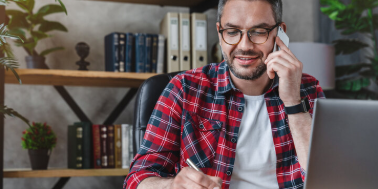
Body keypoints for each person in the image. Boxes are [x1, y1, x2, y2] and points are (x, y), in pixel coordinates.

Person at [124, 0, 325, 188]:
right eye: (232, 32)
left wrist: (293, 102)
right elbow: (137, 179)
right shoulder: (184, 89)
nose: (245, 46)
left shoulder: (307, 89)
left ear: (280, 34)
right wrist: (171, 185)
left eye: (259, 32)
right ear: (220, 33)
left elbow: (330, 178)